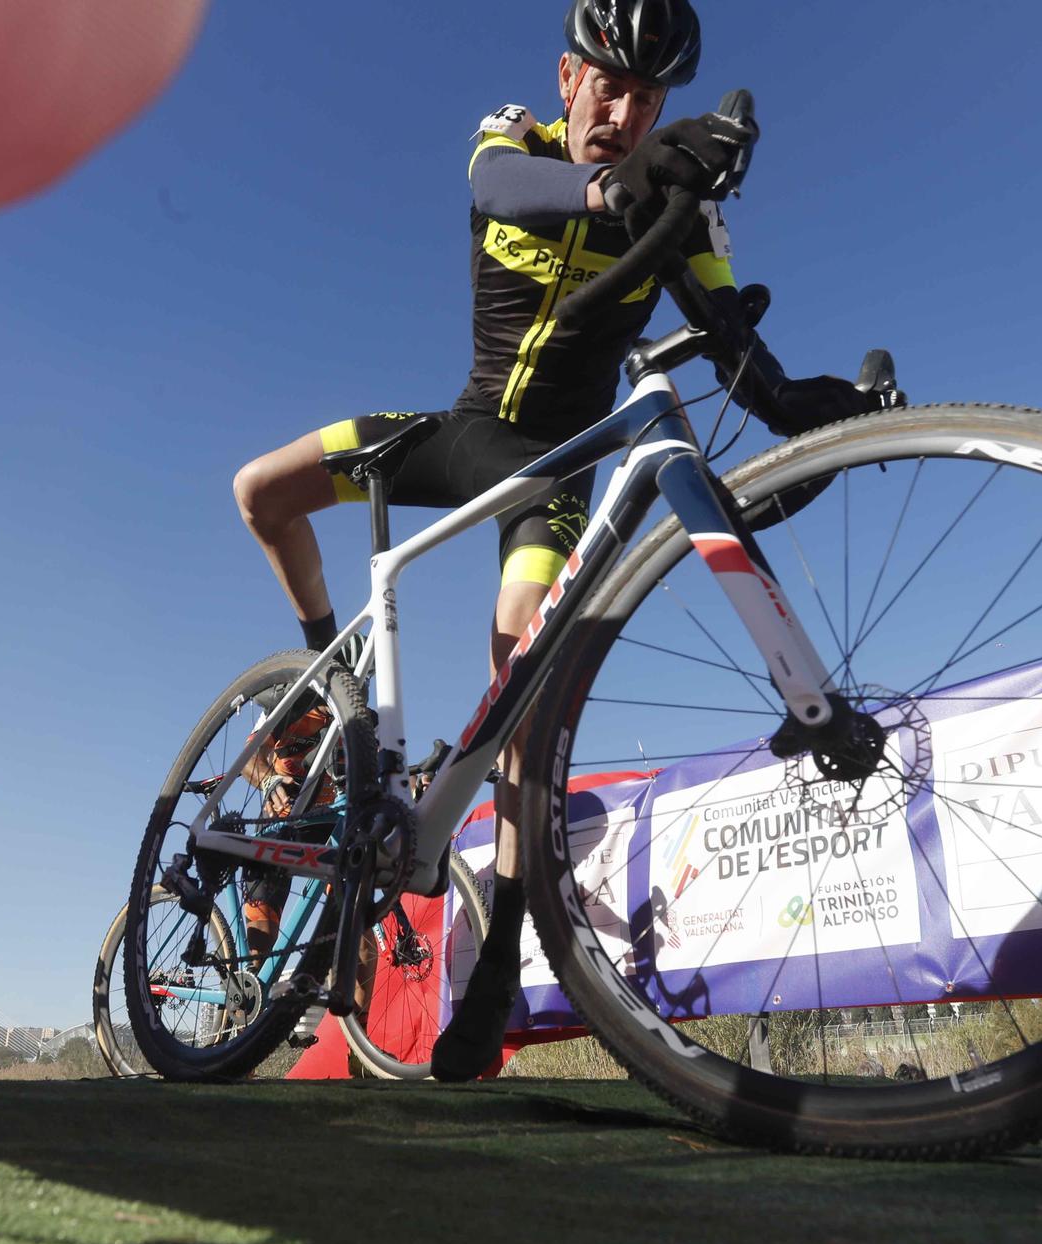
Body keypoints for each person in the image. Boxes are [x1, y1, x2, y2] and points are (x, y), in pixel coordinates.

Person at [229, 0, 896, 1078]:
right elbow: (494, 189)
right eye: (606, 85)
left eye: (646, 98)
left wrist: (842, 412)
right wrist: (603, 190)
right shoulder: (518, 137)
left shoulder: (681, 215)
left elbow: (749, 375)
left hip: (556, 471)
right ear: (565, 77)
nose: (622, 112)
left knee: (517, 685)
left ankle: (495, 966)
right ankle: (321, 683)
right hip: (461, 430)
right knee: (259, 488)